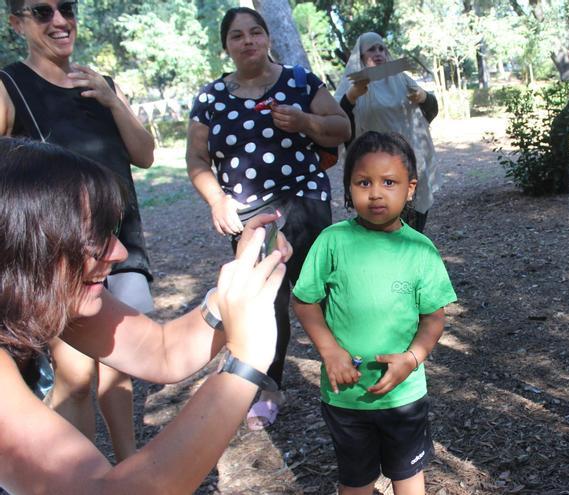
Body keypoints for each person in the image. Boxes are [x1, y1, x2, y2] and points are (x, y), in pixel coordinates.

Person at [0, 137, 291, 493]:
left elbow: (163, 351)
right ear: (23, 251)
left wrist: (231, 292)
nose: (120, 252)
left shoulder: (50, 287)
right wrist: (244, 364)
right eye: (93, 240)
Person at [1, 0, 156, 461]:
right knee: (74, 376)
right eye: (42, 12)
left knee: (119, 366)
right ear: (17, 23)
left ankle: (129, 470)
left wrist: (112, 100)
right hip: (60, 256)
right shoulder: (11, 85)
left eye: (66, 9)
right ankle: (78, 477)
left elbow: (145, 154)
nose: (59, 21)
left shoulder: (101, 84)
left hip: (120, 244)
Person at [186, 7, 350, 430]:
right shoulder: (210, 99)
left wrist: (304, 121)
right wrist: (218, 201)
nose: (248, 41)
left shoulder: (299, 81)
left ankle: (347, 367)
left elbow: (340, 127)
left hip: (305, 198)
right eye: (237, 35)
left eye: (255, 32)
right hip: (249, 213)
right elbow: (197, 159)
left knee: (321, 287)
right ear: (226, 46)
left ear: (267, 38)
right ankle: (268, 386)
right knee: (264, 301)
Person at [292, 131, 457, 495]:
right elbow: (304, 301)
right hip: (346, 396)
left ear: (410, 188)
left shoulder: (421, 251)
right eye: (364, 182)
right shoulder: (333, 241)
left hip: (404, 395)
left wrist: (412, 359)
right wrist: (330, 351)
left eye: (389, 182)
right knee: (355, 480)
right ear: (348, 188)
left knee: (408, 476)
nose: (376, 192)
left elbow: (433, 317)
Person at [334, 32, 439, 233]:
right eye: (372, 49)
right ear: (361, 56)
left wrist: (424, 97)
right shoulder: (352, 85)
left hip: (410, 160)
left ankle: (412, 256)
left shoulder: (401, 79)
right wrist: (352, 96)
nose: (378, 53)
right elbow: (339, 122)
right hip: (375, 167)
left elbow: (430, 111)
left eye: (382, 48)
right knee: (382, 218)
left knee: (413, 219)